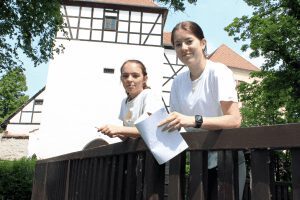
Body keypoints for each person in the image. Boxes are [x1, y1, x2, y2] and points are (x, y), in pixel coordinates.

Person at [158, 21, 246, 200]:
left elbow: (234, 120)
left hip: (227, 159)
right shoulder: (177, 82)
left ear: (203, 43)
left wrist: (193, 120)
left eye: (189, 41)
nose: (184, 48)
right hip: (199, 161)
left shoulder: (218, 72)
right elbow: (176, 123)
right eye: (178, 44)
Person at [97, 59, 163, 138]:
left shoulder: (149, 95)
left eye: (135, 76)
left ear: (145, 79)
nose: (129, 79)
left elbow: (149, 129)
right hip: (138, 149)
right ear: (121, 79)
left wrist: (118, 129)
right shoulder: (124, 102)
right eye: (125, 76)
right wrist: (116, 133)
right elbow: (129, 137)